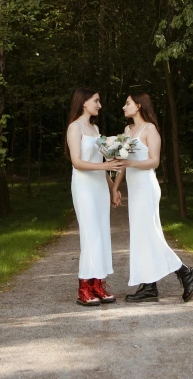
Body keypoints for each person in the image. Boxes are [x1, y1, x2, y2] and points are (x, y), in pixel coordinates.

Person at [110, 91, 193, 302]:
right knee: (140, 237)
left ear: (139, 105)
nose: (124, 107)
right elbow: (122, 163)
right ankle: (149, 287)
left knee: (150, 235)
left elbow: (154, 161)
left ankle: (186, 272)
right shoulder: (127, 130)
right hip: (134, 189)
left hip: (147, 188)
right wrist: (115, 187)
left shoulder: (150, 130)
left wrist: (131, 163)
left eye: (127, 103)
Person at [66, 88, 125, 306]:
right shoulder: (75, 128)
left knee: (101, 234)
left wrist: (112, 188)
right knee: (90, 234)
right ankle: (84, 288)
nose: (99, 105)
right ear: (84, 103)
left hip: (100, 187)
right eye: (96, 101)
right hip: (84, 187)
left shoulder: (95, 128)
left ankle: (97, 284)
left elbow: (102, 165)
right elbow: (77, 163)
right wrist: (107, 165)